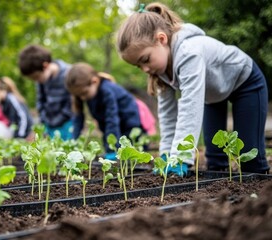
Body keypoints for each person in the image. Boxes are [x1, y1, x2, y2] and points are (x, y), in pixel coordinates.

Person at [116, 2, 270, 175]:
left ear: (161, 39)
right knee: (215, 158)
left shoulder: (189, 53)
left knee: (249, 157)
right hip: (213, 95)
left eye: (145, 60)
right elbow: (167, 116)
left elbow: (190, 108)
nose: (145, 69)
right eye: (138, 66)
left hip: (245, 82)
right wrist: (167, 156)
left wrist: (180, 158)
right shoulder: (159, 72)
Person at [65, 62, 154, 159]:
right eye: (79, 95)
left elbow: (112, 119)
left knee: (133, 154)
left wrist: (112, 149)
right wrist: (73, 143)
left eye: (84, 93)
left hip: (131, 125)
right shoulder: (86, 95)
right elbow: (78, 120)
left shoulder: (107, 90)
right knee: (112, 148)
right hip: (114, 128)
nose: (82, 98)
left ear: (94, 81)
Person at [18, 44, 74, 140]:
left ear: (45, 66)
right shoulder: (41, 81)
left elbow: (72, 105)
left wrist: (57, 121)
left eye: (36, 77)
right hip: (49, 124)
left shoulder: (68, 74)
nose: (36, 81)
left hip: (67, 122)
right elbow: (41, 102)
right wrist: (44, 121)